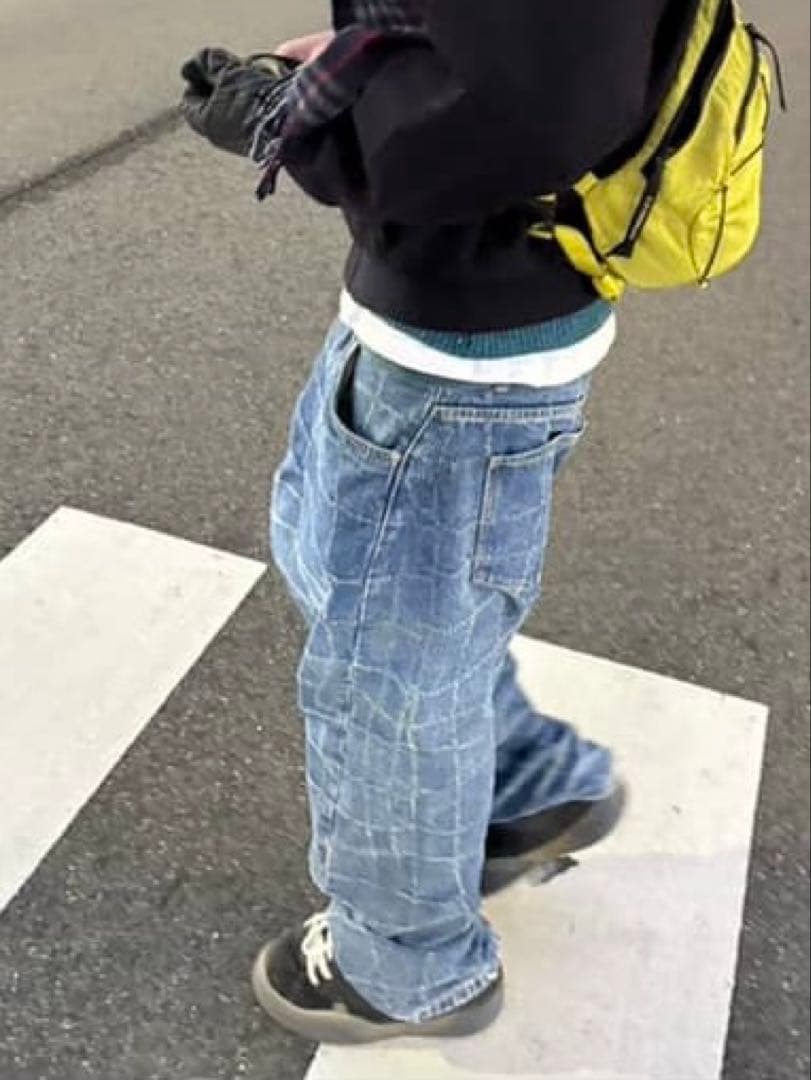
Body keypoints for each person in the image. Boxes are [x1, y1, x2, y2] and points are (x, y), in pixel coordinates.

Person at [181, 0, 695, 1045]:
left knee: (387, 680)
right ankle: (524, 783)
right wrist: (349, 65)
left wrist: (308, 123)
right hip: (447, 311)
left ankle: (408, 965)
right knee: (332, 562)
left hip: (464, 344)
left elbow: (524, 110)